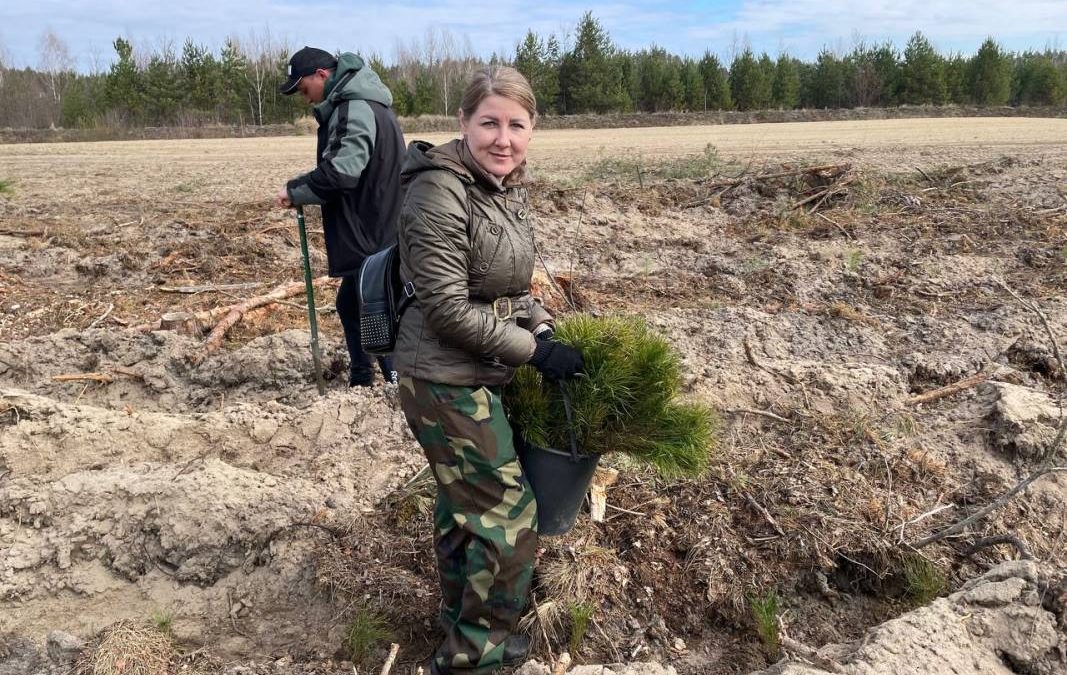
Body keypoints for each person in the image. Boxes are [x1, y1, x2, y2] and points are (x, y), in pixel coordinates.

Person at [393, 66, 584, 675]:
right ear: (463, 123)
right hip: (443, 378)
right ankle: (479, 657)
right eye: (490, 123)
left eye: (516, 125)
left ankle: (463, 630)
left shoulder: (502, 187)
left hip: (479, 372)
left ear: (532, 130)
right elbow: (446, 309)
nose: (503, 138)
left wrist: (544, 327)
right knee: (507, 517)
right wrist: (532, 353)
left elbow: (509, 287)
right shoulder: (438, 190)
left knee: (463, 512)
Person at [274, 46, 404, 387]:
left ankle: (396, 382)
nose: (305, 99)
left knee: (375, 307)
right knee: (353, 304)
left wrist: (296, 190)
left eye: (303, 90)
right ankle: (364, 379)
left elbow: (343, 173)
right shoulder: (364, 103)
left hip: (371, 230)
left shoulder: (354, 106)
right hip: (378, 225)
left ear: (322, 75)